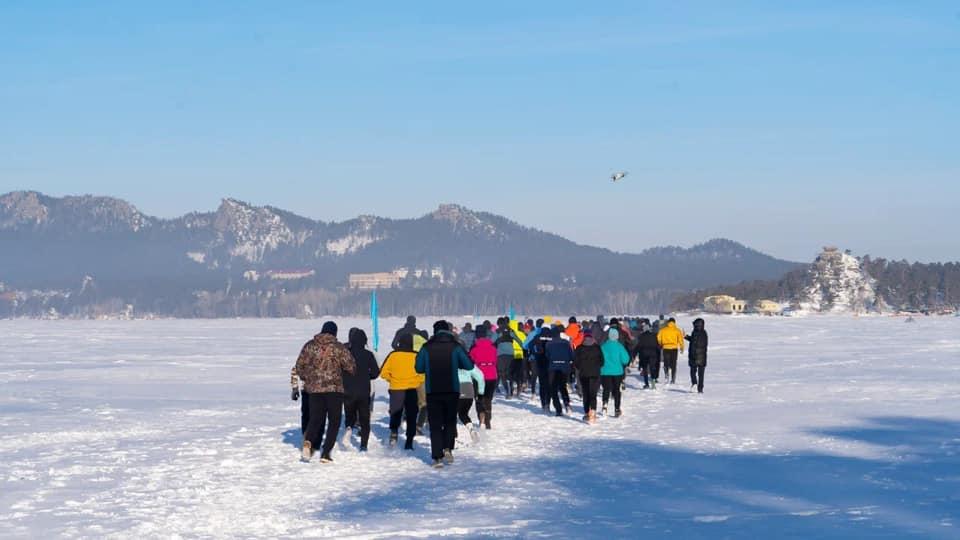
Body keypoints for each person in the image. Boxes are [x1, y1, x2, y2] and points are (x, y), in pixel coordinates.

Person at [290, 321, 355, 463]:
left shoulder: (310, 346)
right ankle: (326, 453)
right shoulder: (339, 348)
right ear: (335, 333)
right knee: (334, 421)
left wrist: (309, 378)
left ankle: (308, 443)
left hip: (314, 390)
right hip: (334, 390)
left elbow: (299, 366)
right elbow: (351, 367)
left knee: (315, 419)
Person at [415, 320, 475, 468]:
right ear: (448, 331)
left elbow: (418, 368)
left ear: (435, 331)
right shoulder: (456, 346)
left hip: (433, 390)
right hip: (452, 389)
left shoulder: (426, 347)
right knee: (450, 421)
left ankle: (437, 458)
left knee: (435, 424)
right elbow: (469, 365)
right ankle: (448, 448)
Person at [380, 333, 424, 450]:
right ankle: (409, 441)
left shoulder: (393, 355)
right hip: (411, 389)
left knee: (395, 413)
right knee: (411, 415)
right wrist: (417, 381)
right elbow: (423, 373)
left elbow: (383, 373)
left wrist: (392, 380)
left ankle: (394, 434)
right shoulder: (416, 356)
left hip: (396, 389)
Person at [342, 328, 380, 451]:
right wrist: (367, 376)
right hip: (364, 390)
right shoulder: (368, 354)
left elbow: (339, 371)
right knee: (364, 419)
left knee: (349, 414)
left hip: (348, 390)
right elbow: (376, 372)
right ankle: (363, 445)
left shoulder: (346, 354)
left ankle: (348, 428)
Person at [470, 325, 499, 429]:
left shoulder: (474, 348)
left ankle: (482, 419)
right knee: (488, 399)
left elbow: (470, 362)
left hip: (479, 376)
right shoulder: (493, 347)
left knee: (479, 399)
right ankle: (488, 420)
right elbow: (496, 361)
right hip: (492, 375)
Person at [573, 329, 603, 423]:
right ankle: (593, 412)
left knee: (586, 393)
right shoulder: (597, 347)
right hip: (595, 373)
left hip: (584, 374)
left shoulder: (579, 348)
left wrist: (581, 368)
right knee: (593, 394)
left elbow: (576, 362)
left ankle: (586, 413)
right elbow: (602, 362)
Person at [599, 328, 630, 417]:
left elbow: (599, 359)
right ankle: (617, 409)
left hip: (605, 372)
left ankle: (605, 404)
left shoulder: (603, 346)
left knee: (606, 389)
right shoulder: (620, 346)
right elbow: (625, 360)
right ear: (617, 336)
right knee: (616, 390)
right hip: (617, 372)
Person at [545, 325, 574, 416]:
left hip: (553, 367)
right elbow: (571, 355)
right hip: (564, 367)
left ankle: (558, 409)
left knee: (553, 388)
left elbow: (547, 356)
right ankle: (567, 404)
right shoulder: (565, 342)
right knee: (562, 387)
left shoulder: (548, 344)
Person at [457, 362, 485, 442]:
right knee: (463, 413)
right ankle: (471, 429)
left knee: (451, 414)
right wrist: (480, 392)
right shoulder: (468, 364)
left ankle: (452, 436)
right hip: (468, 389)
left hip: (456, 388)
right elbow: (480, 376)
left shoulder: (449, 361)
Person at [495, 319, 522, 397]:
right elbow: (519, 341)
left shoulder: (497, 332)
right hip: (511, 355)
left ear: (498, 324)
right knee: (510, 373)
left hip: (500, 355)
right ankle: (511, 388)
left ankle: (507, 391)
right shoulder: (511, 331)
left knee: (502, 374)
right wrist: (523, 348)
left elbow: (491, 341)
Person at [529, 326, 553, 412]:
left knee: (542, 384)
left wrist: (535, 354)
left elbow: (530, 345)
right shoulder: (552, 336)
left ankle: (543, 404)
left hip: (540, 362)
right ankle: (548, 404)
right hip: (550, 362)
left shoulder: (537, 336)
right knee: (549, 384)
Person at [634, 319, 661, 389]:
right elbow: (657, 345)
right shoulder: (654, 335)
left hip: (644, 355)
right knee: (652, 368)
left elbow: (639, 346)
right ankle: (653, 382)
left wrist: (634, 354)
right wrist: (659, 353)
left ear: (643, 329)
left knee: (645, 369)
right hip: (653, 354)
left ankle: (646, 384)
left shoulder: (641, 336)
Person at [657, 317, 685, 384]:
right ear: (674, 322)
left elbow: (658, 338)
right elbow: (681, 340)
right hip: (674, 349)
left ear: (668, 322)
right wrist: (682, 348)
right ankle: (673, 378)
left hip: (665, 348)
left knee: (666, 362)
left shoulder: (663, 330)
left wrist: (661, 344)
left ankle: (666, 375)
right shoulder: (677, 330)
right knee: (673, 363)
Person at [685, 318, 708, 393]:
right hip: (702, 357)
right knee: (701, 374)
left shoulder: (697, 332)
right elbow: (694, 340)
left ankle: (695, 384)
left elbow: (697, 344)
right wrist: (687, 337)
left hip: (695, 356)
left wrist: (693, 354)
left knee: (693, 372)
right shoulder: (704, 333)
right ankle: (700, 388)